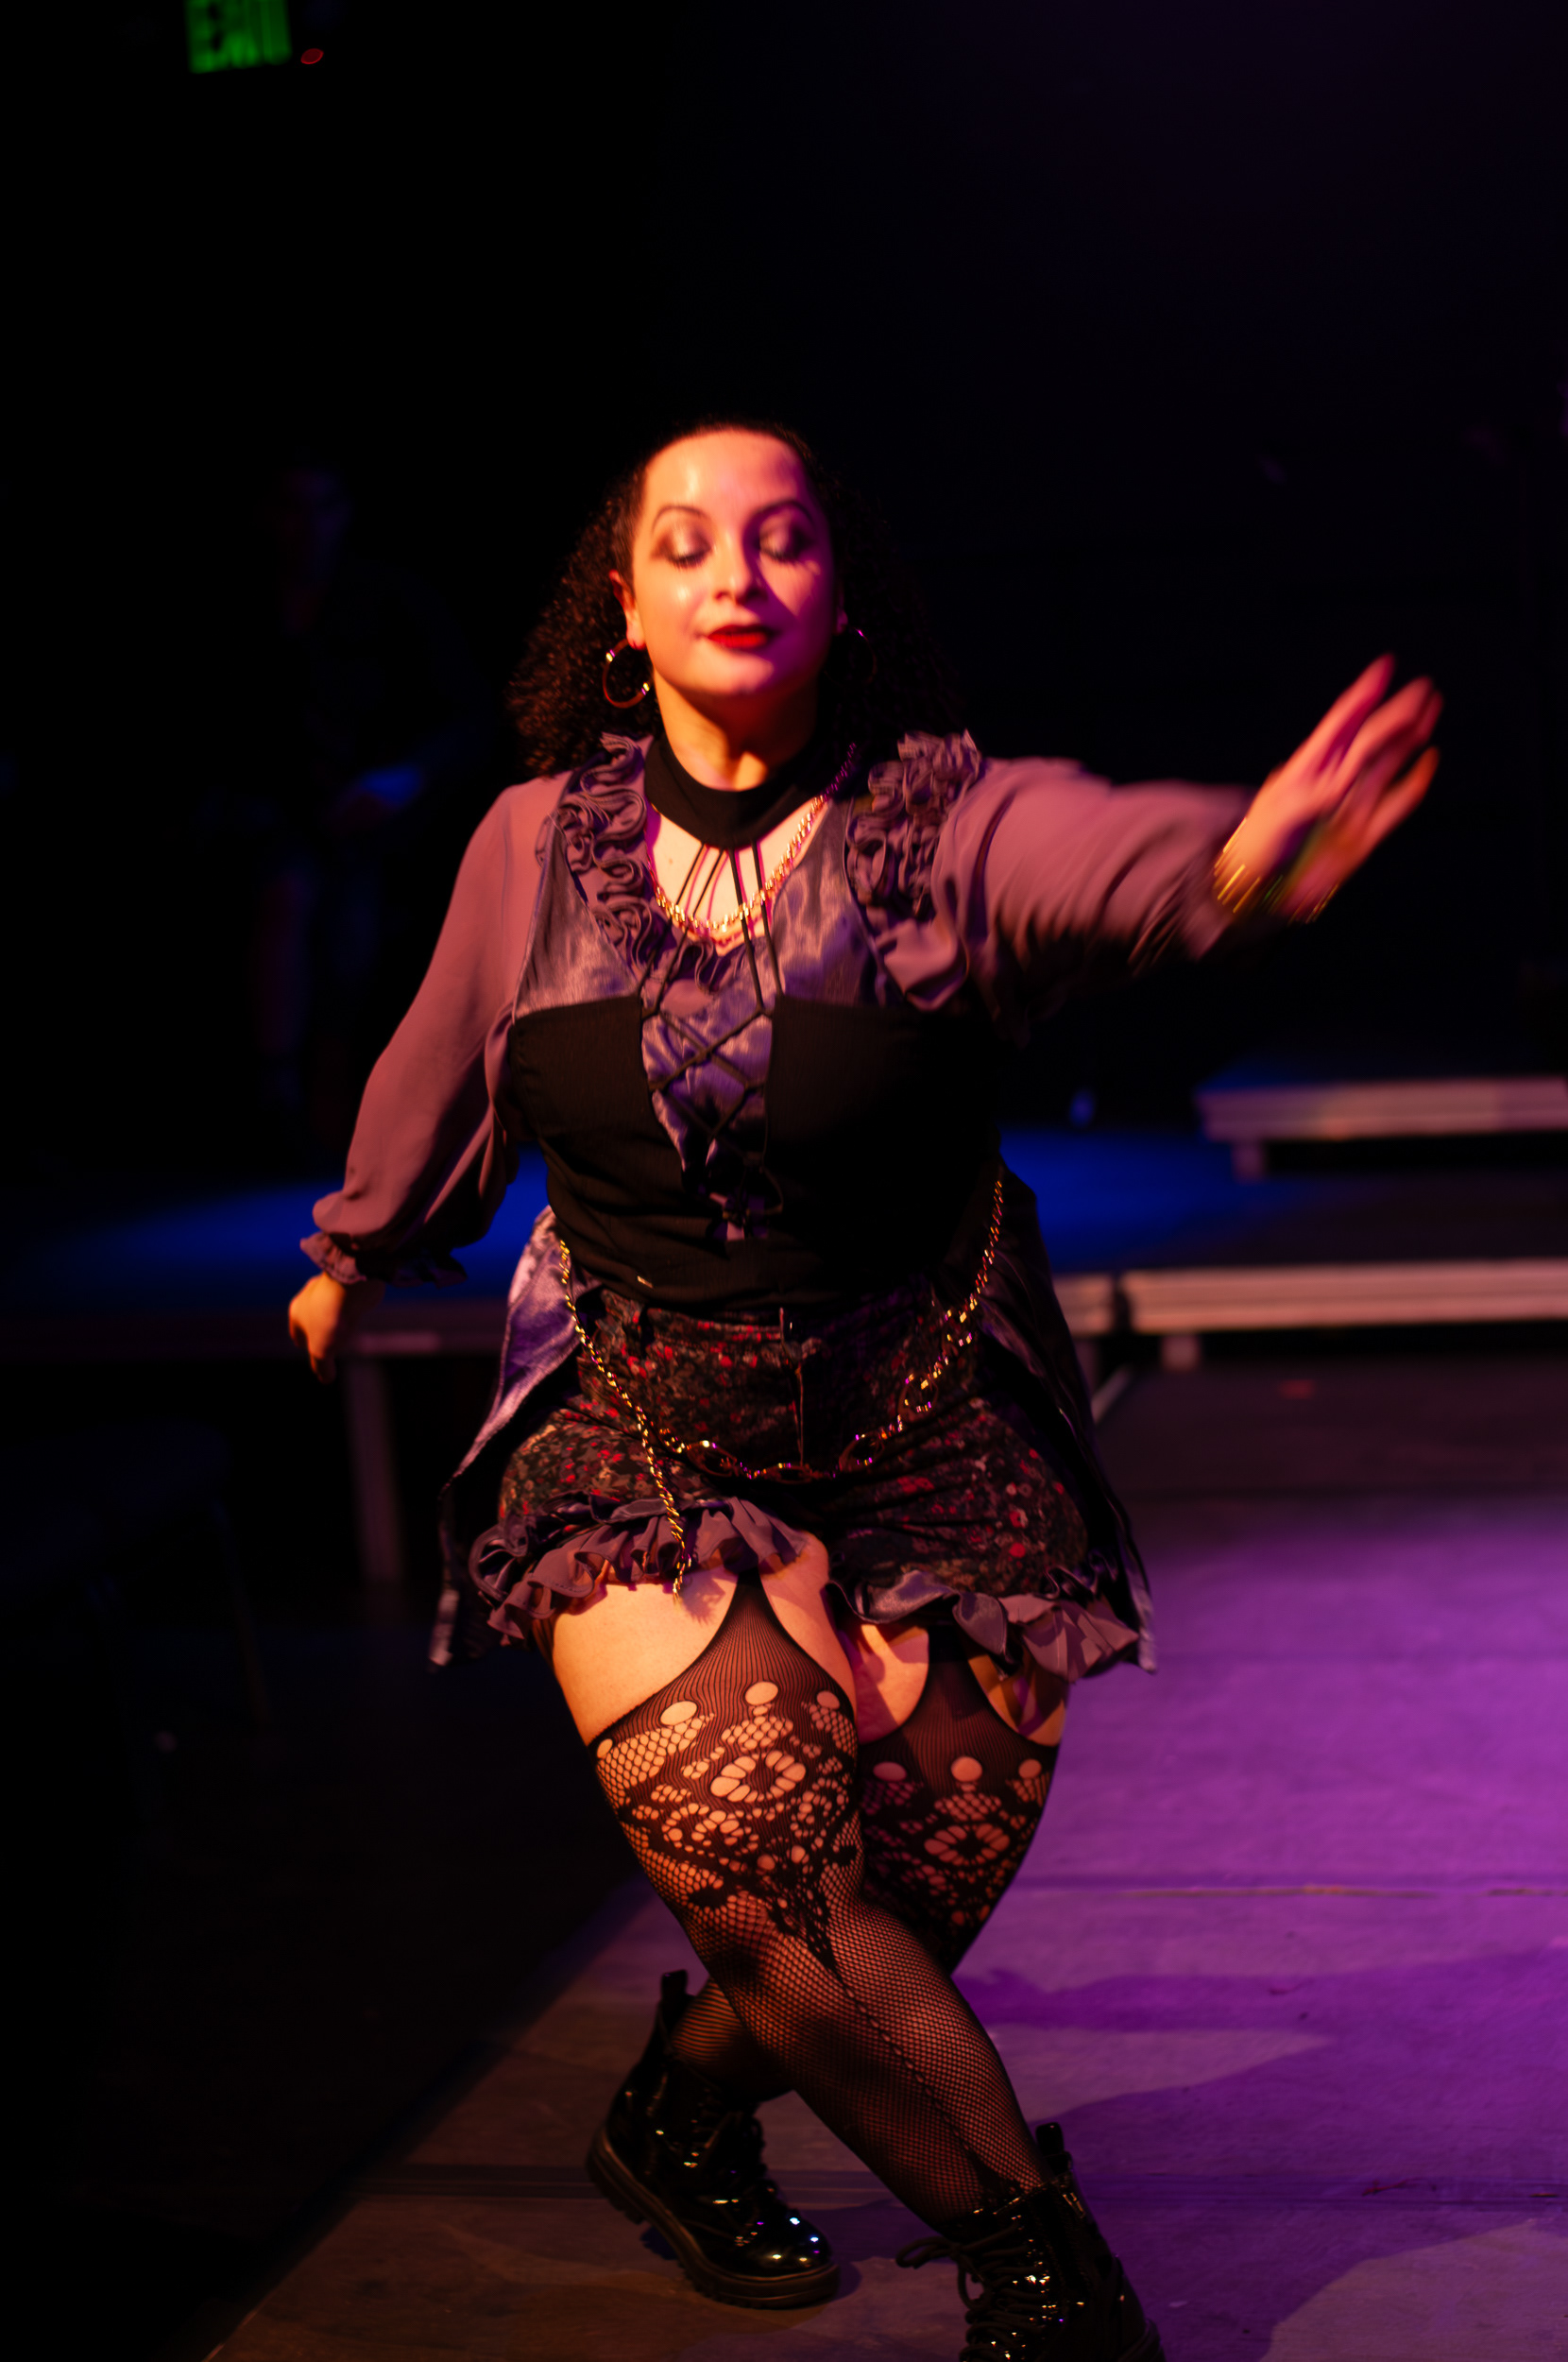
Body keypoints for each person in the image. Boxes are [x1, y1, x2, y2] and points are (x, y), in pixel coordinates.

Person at [287, 420, 1438, 2360]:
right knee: (787, 1900)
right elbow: (446, 1056)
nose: (737, 574)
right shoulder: (534, 842)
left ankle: (678, 2114)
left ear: (837, 595)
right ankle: (1044, 2282)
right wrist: (355, 1243)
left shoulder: (937, 826)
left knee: (910, 1889)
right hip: (636, 1427)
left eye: (783, 538)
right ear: (625, 611)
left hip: (929, 1415)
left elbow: (1104, 855)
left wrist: (1241, 861)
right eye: (688, 544)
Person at [235, 455, 493, 1154]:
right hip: (269, 825)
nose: (306, 527)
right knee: (288, 887)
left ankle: (333, 1097)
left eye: (322, 508)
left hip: (380, 827)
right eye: (291, 508)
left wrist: (400, 781)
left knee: (352, 908)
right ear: (265, 516)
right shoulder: (243, 611)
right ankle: (280, 1097)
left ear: (344, 514)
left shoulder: (391, 604)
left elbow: (467, 719)